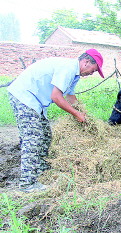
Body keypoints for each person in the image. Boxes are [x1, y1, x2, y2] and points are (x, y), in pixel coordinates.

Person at [7, 49, 105, 193]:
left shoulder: (75, 75)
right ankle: (27, 184)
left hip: (36, 101)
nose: (92, 73)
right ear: (86, 62)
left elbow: (70, 97)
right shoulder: (68, 69)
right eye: (94, 70)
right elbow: (56, 97)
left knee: (45, 136)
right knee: (33, 139)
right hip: (24, 97)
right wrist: (76, 114)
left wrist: (83, 114)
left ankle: (41, 173)